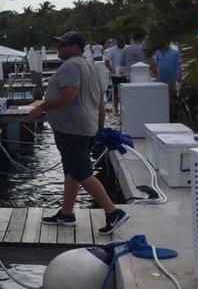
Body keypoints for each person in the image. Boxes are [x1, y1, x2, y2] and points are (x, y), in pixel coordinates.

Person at [31, 31, 129, 235]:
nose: (59, 49)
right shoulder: (91, 66)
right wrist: (100, 128)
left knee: (82, 172)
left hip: (72, 130)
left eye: (63, 45)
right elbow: (100, 101)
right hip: (85, 127)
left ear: (75, 47)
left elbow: (68, 95)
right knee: (71, 171)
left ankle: (112, 212)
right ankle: (66, 213)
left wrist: (41, 107)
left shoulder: (72, 65)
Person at [104, 36, 127, 115]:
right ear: (117, 43)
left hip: (126, 74)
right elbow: (106, 62)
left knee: (125, 92)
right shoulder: (112, 50)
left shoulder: (127, 48)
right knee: (116, 93)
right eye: (120, 43)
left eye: (122, 43)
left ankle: (125, 110)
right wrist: (112, 70)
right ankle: (116, 110)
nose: (121, 45)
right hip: (116, 74)